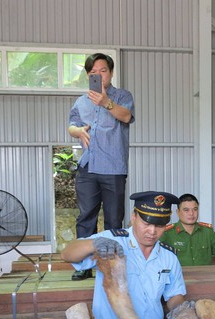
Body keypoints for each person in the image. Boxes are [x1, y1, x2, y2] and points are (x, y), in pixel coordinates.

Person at [61, 191, 186, 319]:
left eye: (159, 226)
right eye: (146, 223)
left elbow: (174, 295)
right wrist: (93, 244)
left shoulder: (169, 257)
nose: (152, 231)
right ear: (134, 217)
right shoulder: (111, 241)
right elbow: (67, 254)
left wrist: (181, 309)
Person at [68, 52, 135, 281]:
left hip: (113, 167)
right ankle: (84, 266)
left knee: (114, 219)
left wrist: (105, 102)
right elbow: (72, 126)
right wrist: (77, 131)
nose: (98, 75)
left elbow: (126, 116)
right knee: (86, 216)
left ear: (111, 72)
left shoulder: (122, 95)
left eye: (103, 71)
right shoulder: (80, 101)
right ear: (88, 75)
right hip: (88, 167)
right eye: (93, 72)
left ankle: (112, 266)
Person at [160, 194, 215, 267]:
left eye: (195, 209)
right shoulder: (167, 234)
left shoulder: (207, 232)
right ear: (178, 212)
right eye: (186, 210)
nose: (191, 213)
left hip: (204, 279)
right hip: (179, 280)